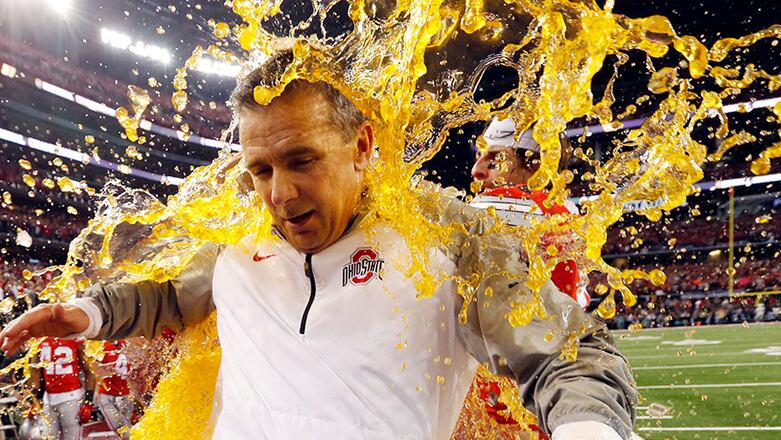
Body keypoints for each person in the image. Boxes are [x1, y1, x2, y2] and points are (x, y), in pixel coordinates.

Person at [1, 50, 636, 439]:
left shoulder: (446, 233)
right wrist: (86, 313)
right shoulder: (235, 237)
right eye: (261, 170)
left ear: (362, 148)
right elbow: (170, 293)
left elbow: (566, 352)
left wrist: (588, 430)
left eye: (302, 160)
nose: (279, 194)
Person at [470, 116, 591, 308]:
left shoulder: (515, 201)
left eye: (494, 161)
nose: (476, 171)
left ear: (535, 165)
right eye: (478, 157)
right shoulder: (564, 208)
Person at [29, 337, 91, 440]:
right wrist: (34, 401)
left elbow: (89, 371)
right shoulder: (40, 340)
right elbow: (34, 371)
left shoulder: (75, 338)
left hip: (72, 397)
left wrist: (88, 402)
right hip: (48, 399)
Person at [94, 339, 134, 439]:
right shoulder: (100, 347)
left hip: (125, 394)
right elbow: (95, 370)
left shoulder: (127, 344)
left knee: (127, 429)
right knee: (123, 430)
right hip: (108, 395)